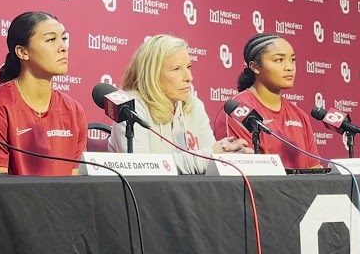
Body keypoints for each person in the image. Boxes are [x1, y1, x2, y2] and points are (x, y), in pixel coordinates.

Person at [107, 34, 252, 174]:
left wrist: (230, 156)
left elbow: (211, 158)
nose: (189, 77)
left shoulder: (194, 105)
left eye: (188, 67)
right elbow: (141, 167)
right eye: (176, 69)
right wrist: (210, 156)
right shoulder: (130, 108)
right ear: (152, 73)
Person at [0, 11, 88, 175]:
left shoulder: (74, 110)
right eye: (51, 39)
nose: (63, 48)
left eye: (64, 39)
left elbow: (75, 183)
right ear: (23, 52)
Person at [212, 32, 321, 169]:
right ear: (255, 67)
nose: (289, 67)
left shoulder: (300, 116)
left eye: (292, 60)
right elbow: (237, 172)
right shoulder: (237, 112)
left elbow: (314, 168)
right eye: (279, 60)